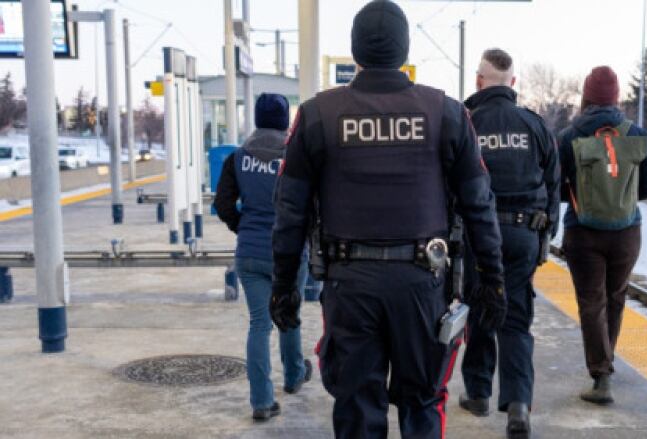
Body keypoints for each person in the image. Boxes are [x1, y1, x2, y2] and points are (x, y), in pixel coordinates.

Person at [271, 1, 506, 437]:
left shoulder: (318, 115)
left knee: (358, 408)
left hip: (349, 285)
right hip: (424, 285)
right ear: (404, 50)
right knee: (422, 402)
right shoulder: (448, 113)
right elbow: (478, 205)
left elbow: (290, 213)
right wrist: (491, 279)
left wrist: (284, 284)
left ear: (355, 51)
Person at [457, 48, 560, 439]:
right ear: (512, 83)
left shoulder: (467, 124)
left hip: (478, 235)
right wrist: (545, 233)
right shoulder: (535, 125)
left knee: (480, 303)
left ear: (479, 81)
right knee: (515, 318)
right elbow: (553, 186)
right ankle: (517, 405)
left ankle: (479, 392)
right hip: (522, 235)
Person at [557, 66, 647, 404]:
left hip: (582, 232)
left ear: (586, 96)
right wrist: (622, 198)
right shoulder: (638, 134)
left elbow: (554, 186)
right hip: (627, 232)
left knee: (592, 302)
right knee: (616, 298)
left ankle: (601, 374)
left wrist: (581, 196)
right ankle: (607, 363)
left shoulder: (569, 136)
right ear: (617, 97)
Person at [214, 93, 312, 421]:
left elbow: (224, 204)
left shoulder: (238, 158)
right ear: (285, 121)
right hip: (288, 253)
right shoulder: (294, 157)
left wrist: (245, 228)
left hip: (250, 254)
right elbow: (309, 205)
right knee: (289, 312)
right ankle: (295, 375)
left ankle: (261, 401)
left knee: (259, 324)